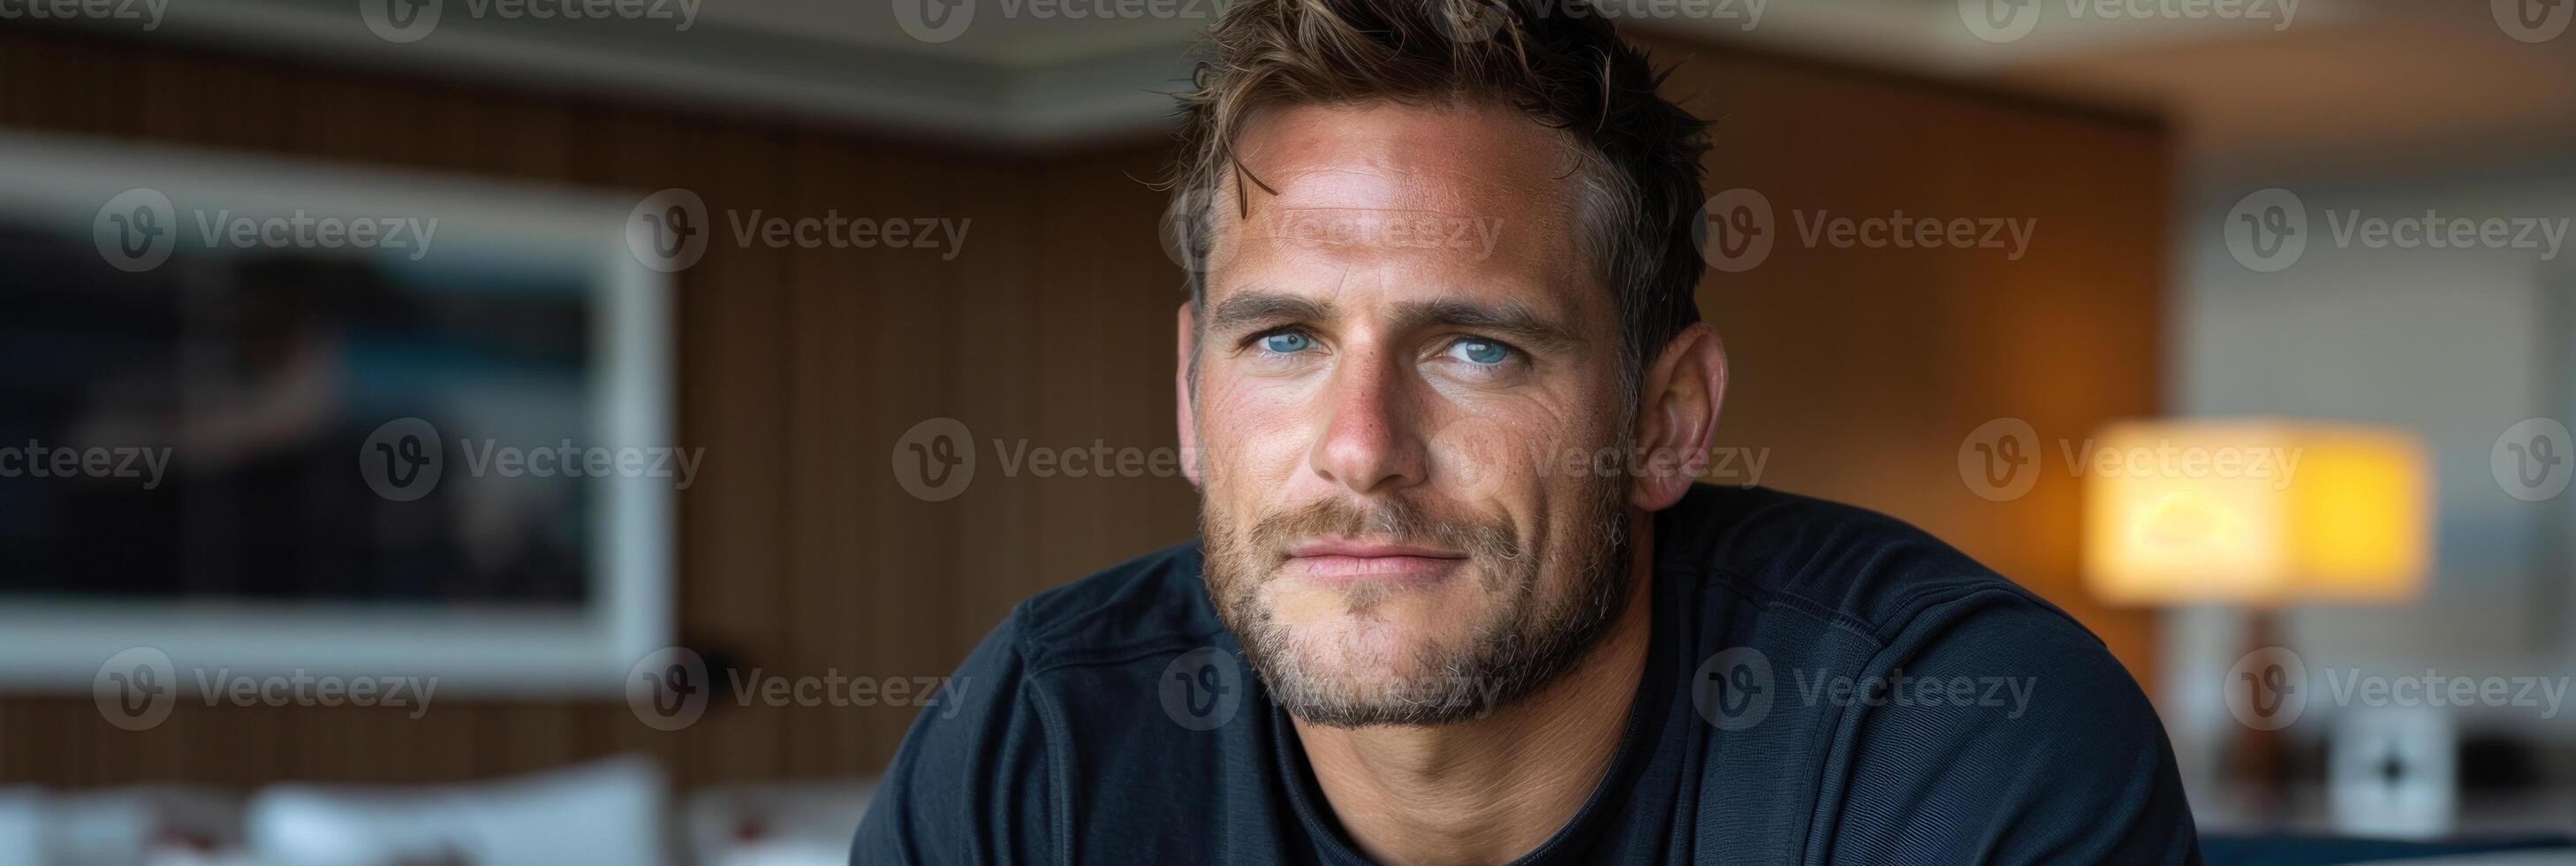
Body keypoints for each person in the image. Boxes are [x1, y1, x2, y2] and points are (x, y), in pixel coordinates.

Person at [853, 1, 2200, 862]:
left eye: (1476, 348)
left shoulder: (1950, 737)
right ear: (1192, 400)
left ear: (1668, 422)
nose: (1362, 447)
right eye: (1284, 340)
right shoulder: (1040, 747)